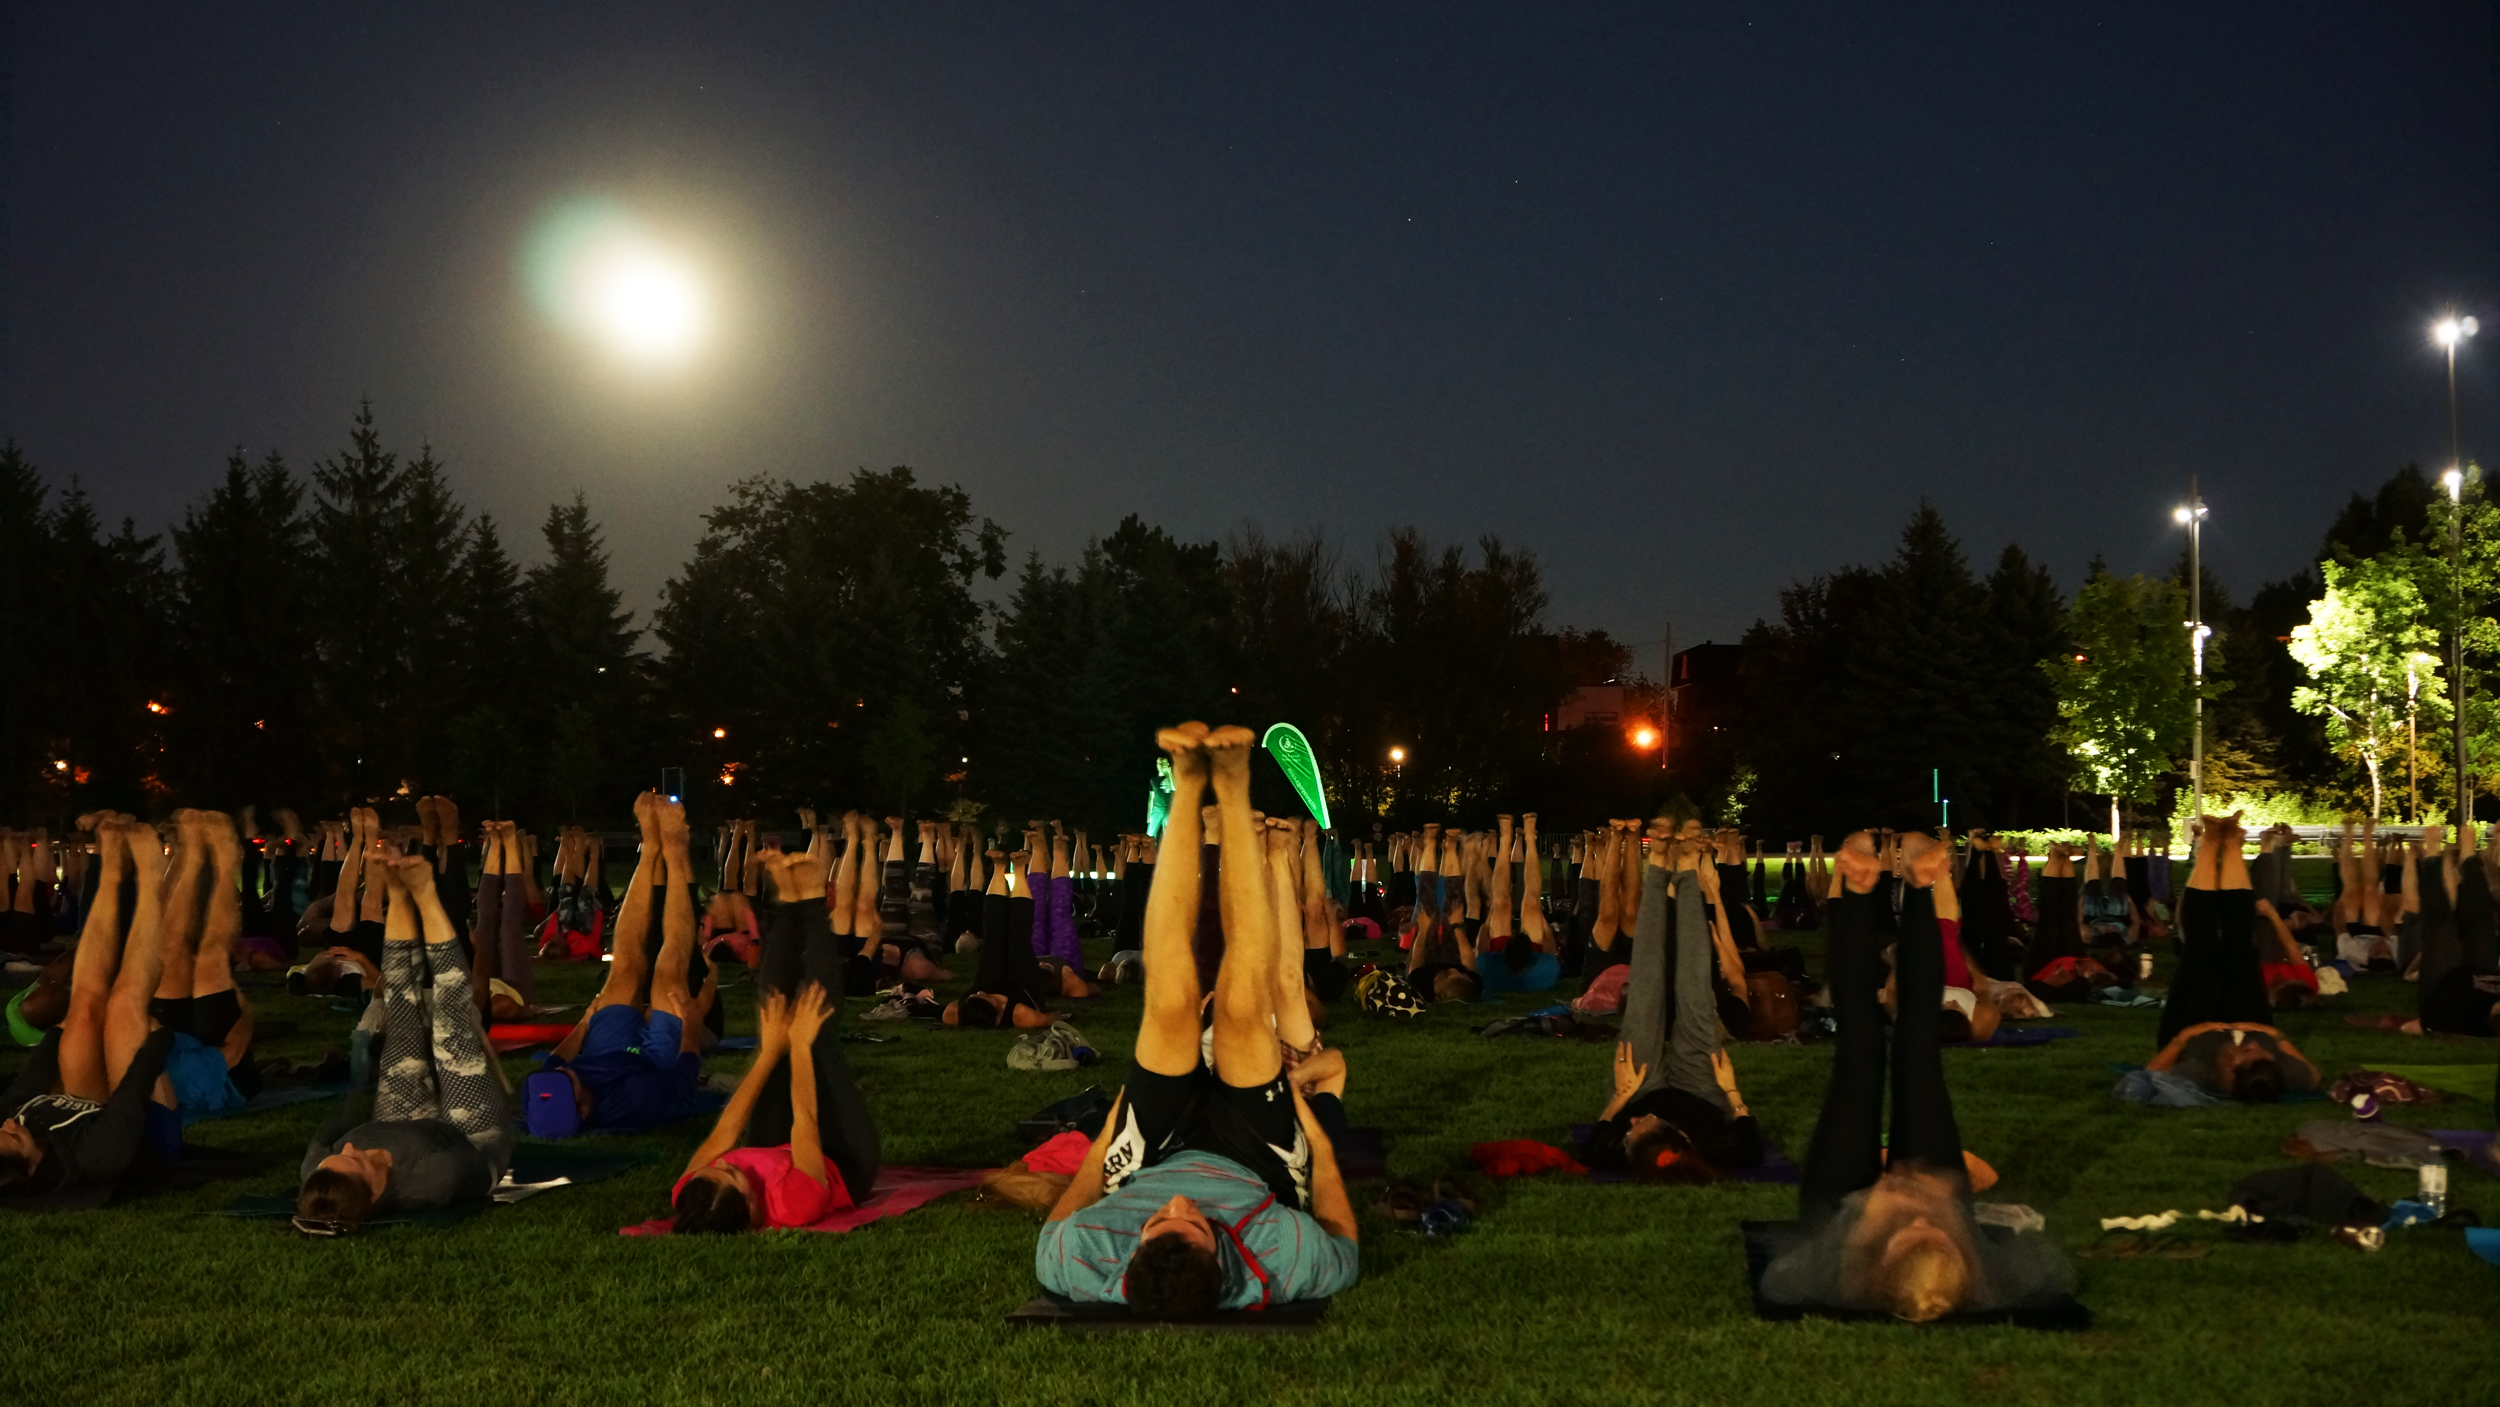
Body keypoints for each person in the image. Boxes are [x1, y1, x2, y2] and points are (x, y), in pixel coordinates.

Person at [1036, 723, 1359, 1315]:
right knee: (1240, 1006)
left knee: (1170, 999)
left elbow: (1076, 1199)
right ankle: (1234, 790)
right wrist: (1314, 1138)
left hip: (1152, 1150)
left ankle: (1188, 790)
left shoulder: (1080, 1259)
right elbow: (1343, 1235)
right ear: (1222, 1258)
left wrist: (1114, 1127)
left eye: (1161, 1221)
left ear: (1131, 1253)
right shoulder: (1283, 1260)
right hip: (1254, 1158)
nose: (1182, 1205)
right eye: (1197, 1225)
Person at [1763, 830, 2072, 1322]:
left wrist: (1878, 1209)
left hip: (1843, 1211)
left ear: (1879, 1263)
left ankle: (1859, 890)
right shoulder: (1973, 1267)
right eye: (1935, 1232)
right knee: (1919, 1051)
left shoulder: (1840, 1270)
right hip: (1931, 1219)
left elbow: (1785, 1282)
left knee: (1859, 1058)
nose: (1920, 1219)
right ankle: (1921, 886)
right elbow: (1945, 1208)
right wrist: (1940, 1200)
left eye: (1914, 1231)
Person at [669, 838, 881, 1232]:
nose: (726, 1163)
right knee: (815, 1032)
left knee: (775, 1013)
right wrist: (798, 1046)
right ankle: (813, 902)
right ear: (751, 1206)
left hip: (774, 1150)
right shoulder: (795, 1204)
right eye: (732, 1173)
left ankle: (787, 902)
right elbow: (806, 1119)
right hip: (837, 1159)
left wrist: (768, 1051)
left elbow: (727, 1130)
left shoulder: (694, 1191)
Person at [295, 852, 514, 1232]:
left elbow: (341, 1118)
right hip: (471, 1141)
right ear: (378, 1191)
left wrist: (367, 1076)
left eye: (337, 1156)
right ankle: (426, 894)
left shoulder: (319, 1168)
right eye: (357, 1161)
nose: (347, 1148)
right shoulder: (433, 1178)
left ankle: (397, 895)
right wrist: (452, 1075)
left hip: (400, 1120)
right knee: (452, 1026)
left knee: (399, 1008)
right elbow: (455, 1127)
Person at [0, 819, 183, 1198]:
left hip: (84, 1108)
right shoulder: (99, 1156)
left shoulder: (11, 1123)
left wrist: (61, 1031)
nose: (8, 1126)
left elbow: (30, 1081)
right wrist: (159, 1039)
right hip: (139, 1129)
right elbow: (132, 1090)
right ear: (30, 1170)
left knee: (83, 1007)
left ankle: (112, 873)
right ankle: (150, 881)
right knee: (123, 1006)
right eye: (9, 1140)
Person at [1583, 831, 1761, 1179]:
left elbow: (1593, 1150)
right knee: (1695, 993)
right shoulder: (1721, 1148)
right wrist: (1731, 1089)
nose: (1631, 1126)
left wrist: (1621, 1099)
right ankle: (1686, 869)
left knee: (1644, 996)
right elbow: (1751, 1143)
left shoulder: (1623, 1151)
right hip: (1703, 1093)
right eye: (1640, 1128)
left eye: (1627, 1135)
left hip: (1639, 1089)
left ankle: (1659, 864)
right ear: (1679, 1135)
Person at [539, 793, 718, 1133]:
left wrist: (585, 1021)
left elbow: (555, 1062)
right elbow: (685, 1073)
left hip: (604, 1053)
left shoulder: (552, 1091)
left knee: (624, 968)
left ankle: (649, 849)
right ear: (585, 1107)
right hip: (655, 1065)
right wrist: (691, 1026)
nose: (559, 1076)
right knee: (669, 975)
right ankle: (677, 852)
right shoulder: (638, 1100)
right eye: (566, 1083)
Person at [2144, 814, 2320, 1101]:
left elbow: (2150, 1075)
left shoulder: (2200, 1072)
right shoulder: (2270, 1066)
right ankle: (2232, 843)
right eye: (2260, 1054)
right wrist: (2273, 1037)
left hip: (2192, 1027)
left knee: (2200, 944)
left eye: (2245, 1056)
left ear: (2228, 1074)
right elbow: (2313, 1078)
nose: (2250, 1048)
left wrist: (2187, 1036)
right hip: (2248, 1017)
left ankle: (2212, 842)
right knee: (2239, 943)